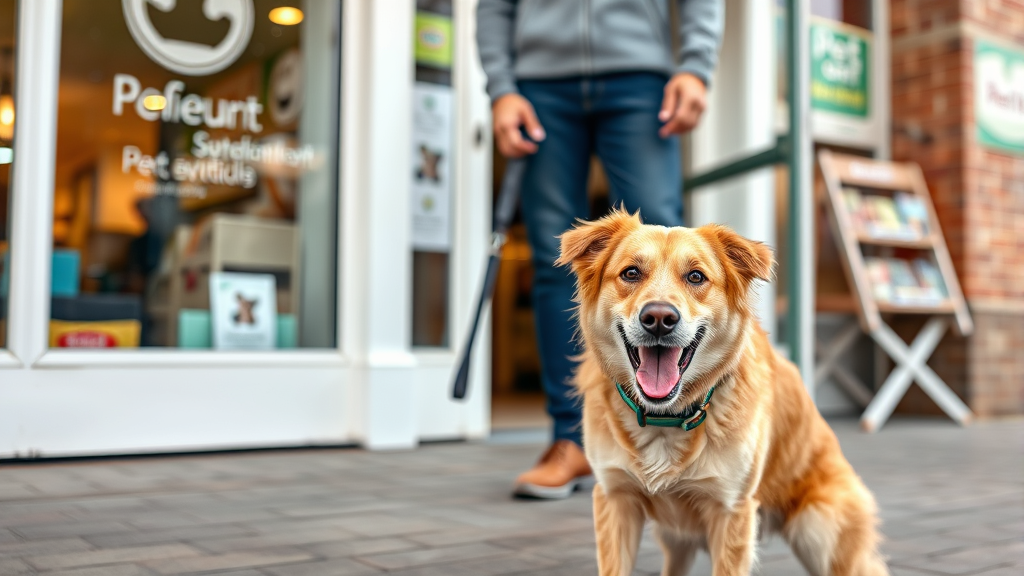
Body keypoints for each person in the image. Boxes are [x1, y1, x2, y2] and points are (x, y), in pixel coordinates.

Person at [477, 0, 724, 499]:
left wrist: (696, 67)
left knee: (667, 260)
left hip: (640, 77)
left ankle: (672, 440)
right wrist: (502, 89)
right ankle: (572, 440)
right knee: (558, 265)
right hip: (540, 86)